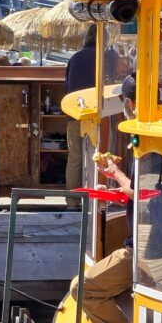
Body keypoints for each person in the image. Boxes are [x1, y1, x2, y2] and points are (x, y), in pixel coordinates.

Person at [68, 73, 137, 323]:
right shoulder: (147, 140)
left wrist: (115, 174)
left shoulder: (149, 141)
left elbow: (140, 192)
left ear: (130, 103)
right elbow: (145, 195)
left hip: (146, 251)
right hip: (152, 244)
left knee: (82, 289)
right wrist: (118, 185)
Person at [64, 25, 97, 209]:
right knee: (98, 157)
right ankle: (95, 201)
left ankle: (72, 202)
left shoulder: (75, 58)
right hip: (97, 114)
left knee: (75, 159)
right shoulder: (105, 58)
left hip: (74, 112)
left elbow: (67, 85)